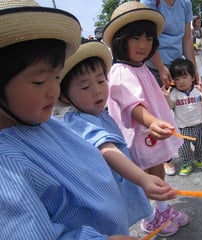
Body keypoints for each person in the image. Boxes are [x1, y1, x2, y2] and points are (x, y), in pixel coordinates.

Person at [0, 0, 175, 239]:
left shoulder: (43, 125)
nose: (53, 90)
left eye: (57, 77)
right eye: (39, 81)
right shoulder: (5, 163)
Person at [58, 40, 179, 237]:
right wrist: (142, 177)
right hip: (108, 187)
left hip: (119, 179)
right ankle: (148, 221)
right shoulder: (79, 121)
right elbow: (106, 149)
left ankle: (150, 219)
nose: (97, 90)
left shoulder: (98, 113)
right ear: (64, 96)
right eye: (85, 86)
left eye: (100, 81)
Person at [103, 1, 189, 236]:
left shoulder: (140, 67)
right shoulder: (120, 71)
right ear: (121, 40)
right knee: (143, 178)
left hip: (152, 134)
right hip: (140, 135)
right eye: (136, 38)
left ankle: (161, 209)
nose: (143, 45)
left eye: (149, 39)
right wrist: (152, 121)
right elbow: (133, 105)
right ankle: (149, 217)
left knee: (158, 168)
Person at [141, 0, 197, 175]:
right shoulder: (150, 2)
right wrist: (160, 66)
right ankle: (166, 158)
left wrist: (192, 70)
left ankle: (186, 148)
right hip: (154, 64)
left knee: (182, 107)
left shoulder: (185, 3)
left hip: (177, 64)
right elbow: (149, 37)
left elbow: (187, 38)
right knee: (159, 112)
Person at [162, 58, 202, 176]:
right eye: (177, 79)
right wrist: (167, 98)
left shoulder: (197, 90)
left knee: (201, 145)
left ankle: (197, 158)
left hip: (199, 126)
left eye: (184, 77)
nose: (181, 82)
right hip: (182, 128)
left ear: (192, 77)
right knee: (183, 149)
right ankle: (187, 163)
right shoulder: (174, 93)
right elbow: (170, 106)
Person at [192, 15, 202, 80]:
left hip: (201, 52)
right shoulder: (192, 31)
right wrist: (195, 45)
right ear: (194, 23)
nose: (199, 24)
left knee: (201, 67)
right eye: (197, 22)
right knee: (196, 66)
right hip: (194, 53)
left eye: (200, 22)